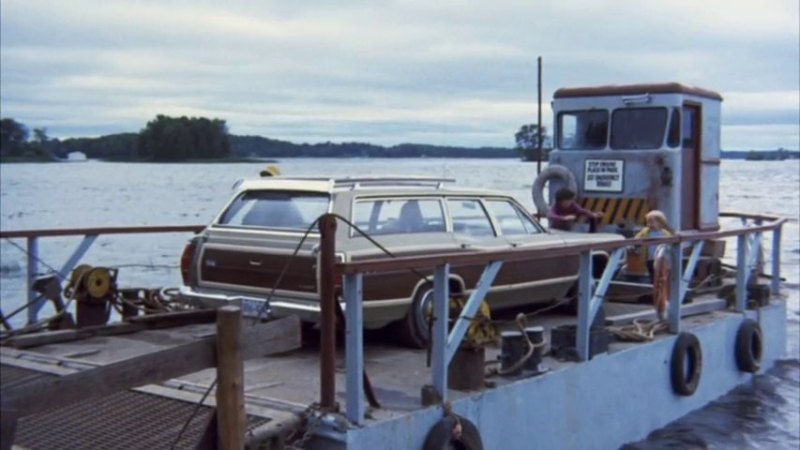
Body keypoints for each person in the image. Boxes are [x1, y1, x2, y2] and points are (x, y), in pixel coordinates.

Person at [633, 210, 673, 283]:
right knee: (652, 274)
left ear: (660, 223)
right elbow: (637, 238)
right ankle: (654, 287)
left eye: (651, 222)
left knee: (662, 274)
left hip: (662, 259)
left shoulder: (665, 233)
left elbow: (670, 243)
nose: (649, 224)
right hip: (650, 258)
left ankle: (661, 287)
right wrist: (637, 243)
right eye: (648, 222)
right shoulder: (645, 231)